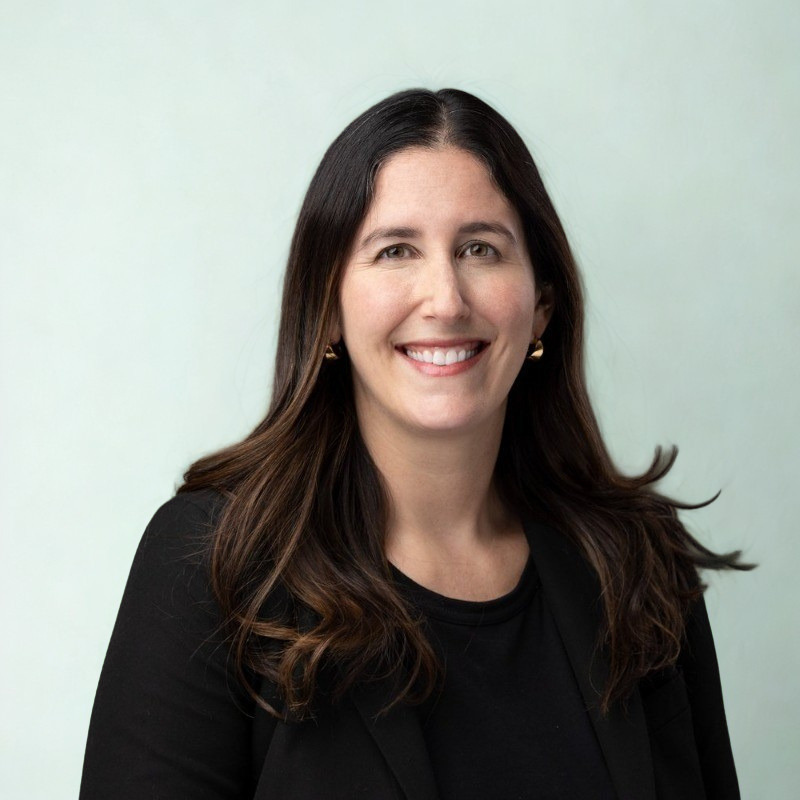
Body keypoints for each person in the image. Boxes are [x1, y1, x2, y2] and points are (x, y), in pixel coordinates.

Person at [80, 88, 750, 800]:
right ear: (327, 310)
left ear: (542, 306)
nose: (446, 298)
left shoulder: (638, 565)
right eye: (396, 250)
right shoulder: (215, 563)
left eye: (481, 249)